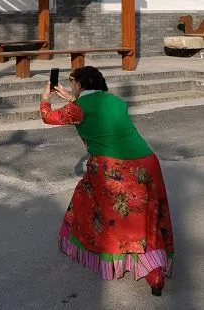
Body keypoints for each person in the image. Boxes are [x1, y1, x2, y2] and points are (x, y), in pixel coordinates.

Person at [41, 66, 174, 296]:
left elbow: (48, 117)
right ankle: (154, 270)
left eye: (73, 82)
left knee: (90, 205)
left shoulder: (78, 107)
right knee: (147, 215)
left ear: (80, 84)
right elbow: (97, 110)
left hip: (113, 167)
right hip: (147, 163)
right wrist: (74, 98)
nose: (71, 86)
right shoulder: (116, 101)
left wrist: (45, 98)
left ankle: (100, 256)